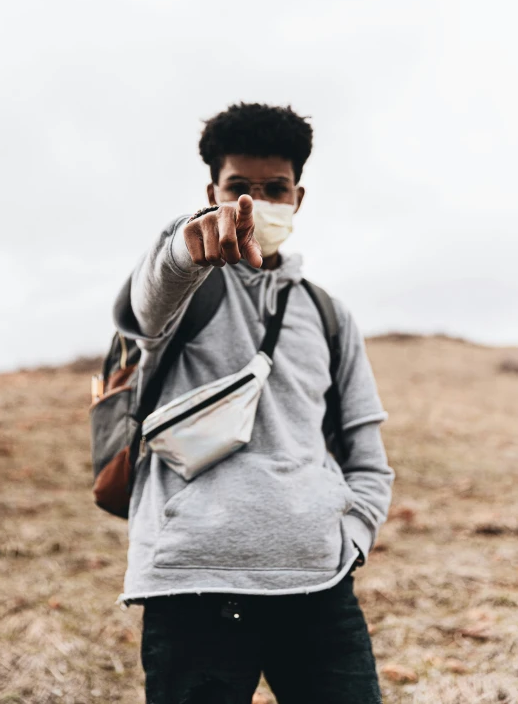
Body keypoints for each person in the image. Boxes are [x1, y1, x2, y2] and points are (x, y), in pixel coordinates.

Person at [112, 102, 395, 704]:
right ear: (213, 191)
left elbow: (365, 447)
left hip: (320, 585)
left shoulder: (327, 313)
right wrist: (185, 252)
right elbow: (145, 306)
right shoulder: (184, 284)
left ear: (298, 197)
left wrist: (351, 535)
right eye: (239, 187)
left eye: (275, 188)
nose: (257, 202)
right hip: (192, 587)